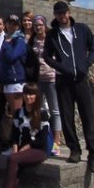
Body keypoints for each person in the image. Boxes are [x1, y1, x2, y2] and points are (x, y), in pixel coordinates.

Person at [44, 0, 94, 174]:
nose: (62, 16)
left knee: (88, 117)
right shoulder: (53, 34)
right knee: (67, 117)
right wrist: (61, 67)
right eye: (58, 13)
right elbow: (47, 56)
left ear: (69, 12)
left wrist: (86, 64)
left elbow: (93, 49)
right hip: (63, 80)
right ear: (55, 15)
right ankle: (74, 150)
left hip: (81, 79)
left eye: (64, 12)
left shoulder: (82, 30)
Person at [0, 83, 51, 188]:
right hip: (22, 151)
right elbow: (15, 134)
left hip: (38, 150)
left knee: (13, 160)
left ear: (37, 96)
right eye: (26, 94)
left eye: (32, 94)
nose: (29, 97)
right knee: (15, 168)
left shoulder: (43, 114)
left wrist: (27, 147)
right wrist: (16, 148)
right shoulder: (19, 113)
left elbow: (42, 139)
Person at [30, 15, 64, 153]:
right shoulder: (32, 40)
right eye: (35, 25)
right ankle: (41, 137)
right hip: (38, 78)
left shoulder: (52, 39)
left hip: (51, 77)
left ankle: (56, 141)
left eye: (40, 25)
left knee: (55, 110)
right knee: (38, 109)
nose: (38, 27)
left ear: (45, 26)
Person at [0, 13, 28, 116]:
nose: (11, 26)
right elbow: (2, 61)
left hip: (16, 81)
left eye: (14, 24)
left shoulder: (19, 40)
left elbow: (12, 57)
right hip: (7, 80)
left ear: (18, 26)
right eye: (9, 23)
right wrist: (0, 79)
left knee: (16, 113)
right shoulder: (7, 39)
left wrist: (6, 43)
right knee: (10, 112)